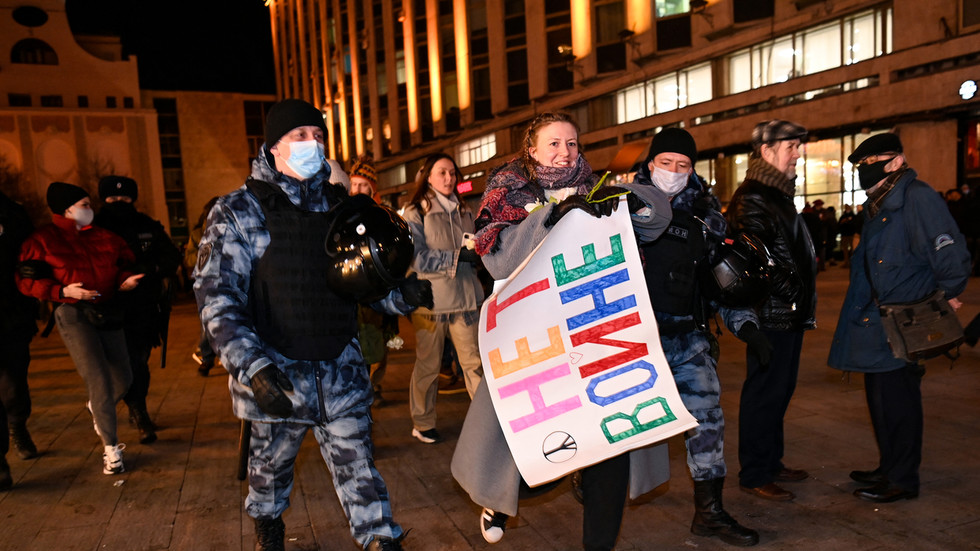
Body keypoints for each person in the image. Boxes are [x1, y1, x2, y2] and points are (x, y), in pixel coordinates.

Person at [193, 99, 431, 551]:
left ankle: (380, 539)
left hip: (338, 367)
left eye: (318, 136)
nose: (312, 144)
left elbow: (363, 279)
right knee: (269, 473)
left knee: (360, 470)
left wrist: (403, 295)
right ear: (273, 147)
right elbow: (217, 297)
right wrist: (252, 367)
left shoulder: (342, 207)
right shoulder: (239, 211)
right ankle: (268, 524)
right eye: (300, 136)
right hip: (276, 374)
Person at [452, 111, 671, 551]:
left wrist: (624, 196)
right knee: (535, 450)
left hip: (597, 334)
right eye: (553, 143)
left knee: (611, 441)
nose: (565, 151)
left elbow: (656, 219)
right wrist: (550, 217)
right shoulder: (507, 189)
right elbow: (496, 257)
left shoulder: (595, 185)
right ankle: (502, 497)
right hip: (538, 342)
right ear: (531, 149)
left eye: (572, 143)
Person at [622, 128, 759, 546]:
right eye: (666, 163)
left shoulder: (706, 215)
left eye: (683, 166)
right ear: (650, 164)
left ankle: (710, 512)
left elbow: (722, 279)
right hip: (632, 339)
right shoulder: (622, 208)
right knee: (616, 423)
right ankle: (593, 480)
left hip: (687, 337)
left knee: (707, 419)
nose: (674, 172)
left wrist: (746, 323)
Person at [828, 133, 970, 503]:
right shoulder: (879, 203)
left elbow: (948, 249)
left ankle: (903, 479)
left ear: (895, 162)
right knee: (879, 399)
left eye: (871, 162)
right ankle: (888, 466)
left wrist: (950, 292)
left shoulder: (917, 196)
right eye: (860, 165)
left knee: (900, 401)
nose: (864, 170)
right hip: (878, 318)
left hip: (905, 319)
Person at [16, 182, 144, 475]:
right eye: (84, 205)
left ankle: (97, 407)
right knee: (98, 377)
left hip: (108, 311)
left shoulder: (105, 237)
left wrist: (125, 280)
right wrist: (62, 292)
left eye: (89, 204)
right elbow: (25, 280)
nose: (90, 209)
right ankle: (111, 449)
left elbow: (122, 262)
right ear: (66, 209)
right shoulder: (42, 240)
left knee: (123, 378)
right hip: (73, 314)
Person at [726, 120, 816, 502]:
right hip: (772, 314)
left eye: (799, 146)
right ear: (766, 152)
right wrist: (790, 289)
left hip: (788, 311)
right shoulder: (754, 197)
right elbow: (754, 257)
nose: (798, 154)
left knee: (780, 390)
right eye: (791, 147)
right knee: (764, 392)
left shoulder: (776, 193)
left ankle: (772, 461)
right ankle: (756, 472)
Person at [400, 153, 485, 443]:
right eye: (442, 173)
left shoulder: (465, 209)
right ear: (428, 176)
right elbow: (416, 256)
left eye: (452, 173)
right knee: (428, 365)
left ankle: (489, 426)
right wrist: (458, 256)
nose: (449, 179)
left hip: (465, 299)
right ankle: (422, 422)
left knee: (473, 365)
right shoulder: (415, 210)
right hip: (432, 301)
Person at [94, 176, 182, 444]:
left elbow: (171, 256)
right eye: (112, 199)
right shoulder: (95, 227)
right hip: (107, 309)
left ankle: (138, 408)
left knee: (139, 362)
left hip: (144, 309)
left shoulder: (147, 225)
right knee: (122, 365)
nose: (119, 203)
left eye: (125, 199)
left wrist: (153, 269)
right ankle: (135, 409)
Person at [348, 156, 400, 406]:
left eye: (363, 185)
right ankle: (358, 386)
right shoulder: (343, 214)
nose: (357, 190)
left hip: (378, 292)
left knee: (378, 342)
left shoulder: (383, 215)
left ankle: (374, 384)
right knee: (358, 342)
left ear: (372, 188)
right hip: (352, 291)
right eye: (354, 185)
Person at [0, 190, 39, 490]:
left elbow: (32, 251)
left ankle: (17, 424)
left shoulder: (12, 211)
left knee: (14, 382)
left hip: (11, 313)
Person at [186, 197, 220, 376]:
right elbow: (189, 258)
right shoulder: (198, 234)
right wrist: (205, 252)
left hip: (228, 280)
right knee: (207, 322)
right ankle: (207, 358)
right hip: (207, 284)